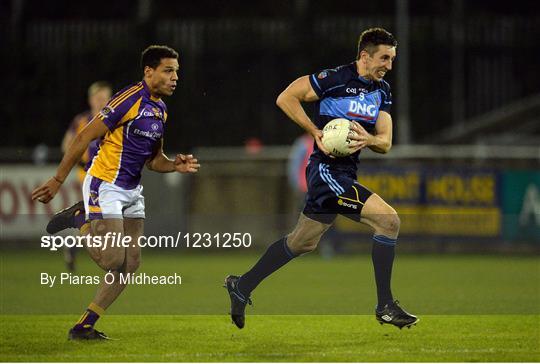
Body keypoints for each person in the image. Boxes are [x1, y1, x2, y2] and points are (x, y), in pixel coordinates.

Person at [225, 28, 418, 330]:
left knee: (302, 242)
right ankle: (385, 306)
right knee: (388, 221)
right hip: (325, 172)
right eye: (384, 58)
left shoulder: (382, 91)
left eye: (392, 59)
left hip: (344, 173)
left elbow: (386, 141)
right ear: (365, 56)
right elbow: (286, 98)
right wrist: (313, 131)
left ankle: (242, 285)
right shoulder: (334, 79)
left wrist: (368, 139)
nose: (389, 66)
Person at [32, 45, 200, 340]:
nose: (175, 77)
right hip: (105, 183)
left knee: (131, 263)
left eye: (177, 72)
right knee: (113, 260)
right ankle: (78, 219)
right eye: (168, 70)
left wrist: (175, 165)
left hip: (133, 189)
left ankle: (84, 325)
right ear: (149, 72)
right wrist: (58, 179)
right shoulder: (128, 98)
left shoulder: (160, 110)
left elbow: (153, 160)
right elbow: (84, 135)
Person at [49, 81, 113, 272]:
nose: (101, 101)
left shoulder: (115, 119)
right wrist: (78, 160)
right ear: (91, 100)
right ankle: (112, 259)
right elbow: (66, 144)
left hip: (110, 175)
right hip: (88, 173)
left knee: (100, 220)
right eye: (98, 97)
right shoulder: (82, 121)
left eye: (105, 97)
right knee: (105, 216)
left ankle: (74, 243)